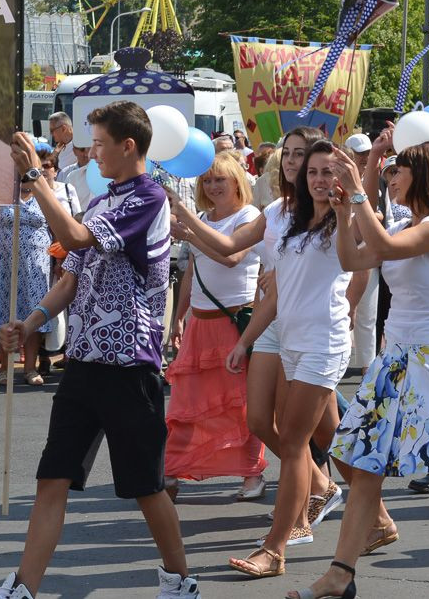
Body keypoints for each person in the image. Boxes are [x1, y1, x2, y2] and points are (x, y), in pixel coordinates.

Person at [0, 101, 198, 599]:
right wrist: (30, 323)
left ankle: (180, 581)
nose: (91, 153)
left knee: (146, 486)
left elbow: (71, 236)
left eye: (98, 144)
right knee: (52, 478)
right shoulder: (99, 200)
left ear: (127, 146)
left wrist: (35, 176)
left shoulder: (149, 198)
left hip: (128, 365)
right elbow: (72, 276)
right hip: (83, 364)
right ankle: (23, 588)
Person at [287, 141, 429, 599]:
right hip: (396, 361)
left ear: (426, 177)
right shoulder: (405, 221)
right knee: (364, 468)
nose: (390, 177)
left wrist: (359, 194)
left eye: (399, 171)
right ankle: (340, 574)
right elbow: (353, 258)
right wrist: (344, 213)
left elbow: (379, 245)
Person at [171, 127, 347, 550]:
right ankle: (326, 503)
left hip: (317, 333)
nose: (292, 162)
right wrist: (246, 336)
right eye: (287, 154)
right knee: (278, 429)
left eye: (301, 156)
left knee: (318, 436)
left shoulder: (335, 213)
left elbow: (356, 264)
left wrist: (363, 183)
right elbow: (237, 254)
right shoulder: (279, 212)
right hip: (275, 325)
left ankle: (290, 532)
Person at [222, 140, 362, 578]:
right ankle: (376, 518)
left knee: (295, 442)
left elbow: (350, 262)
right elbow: (278, 293)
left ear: (342, 178)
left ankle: (275, 549)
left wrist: (348, 204)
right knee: (308, 436)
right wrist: (246, 340)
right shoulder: (290, 219)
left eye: (329, 172)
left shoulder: (348, 219)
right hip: (292, 341)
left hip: (325, 341)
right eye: (314, 172)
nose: (320, 179)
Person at [165, 153, 267, 500]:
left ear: (237, 180)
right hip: (201, 322)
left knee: (239, 405)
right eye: (207, 181)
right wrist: (179, 317)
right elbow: (192, 273)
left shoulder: (249, 216)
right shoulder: (204, 218)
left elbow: (231, 257)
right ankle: (174, 470)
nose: (213, 186)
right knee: (187, 404)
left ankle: (251, 475)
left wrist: (190, 233)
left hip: (235, 322)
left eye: (219, 179)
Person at [0, 152, 56, 387]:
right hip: (7, 266)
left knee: (34, 316)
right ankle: (5, 367)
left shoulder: (45, 195)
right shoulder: (3, 195)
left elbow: (57, 228)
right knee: (7, 314)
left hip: (37, 267)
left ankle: (29, 369)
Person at [345, 133, 379, 376]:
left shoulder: (377, 177)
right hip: (342, 253)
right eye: (360, 153)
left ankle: (368, 365)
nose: (364, 157)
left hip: (368, 251)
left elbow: (378, 211)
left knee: (368, 312)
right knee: (344, 308)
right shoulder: (336, 178)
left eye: (368, 153)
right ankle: (340, 360)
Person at [54, 112, 95, 212]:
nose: (86, 154)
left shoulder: (102, 173)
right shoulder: (65, 174)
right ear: (74, 151)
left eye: (88, 149)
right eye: (81, 149)